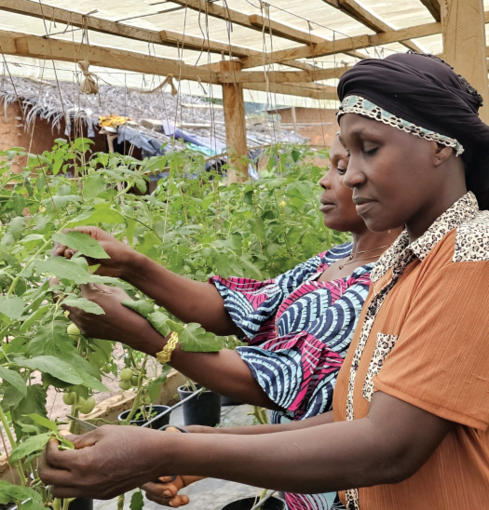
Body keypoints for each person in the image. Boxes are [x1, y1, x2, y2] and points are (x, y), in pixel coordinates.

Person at [40, 51, 489, 509]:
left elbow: (389, 445)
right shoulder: (406, 259)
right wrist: (194, 441)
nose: (350, 175)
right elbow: (352, 414)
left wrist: (169, 446)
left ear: (440, 145)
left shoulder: (472, 253)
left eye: (368, 149)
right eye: (343, 156)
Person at [52, 134, 400, 510]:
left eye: (342, 168)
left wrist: (146, 334)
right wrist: (132, 266)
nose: (328, 180)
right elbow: (238, 306)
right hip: (303, 483)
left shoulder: (385, 282)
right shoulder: (334, 260)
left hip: (350, 490)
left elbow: (274, 382)